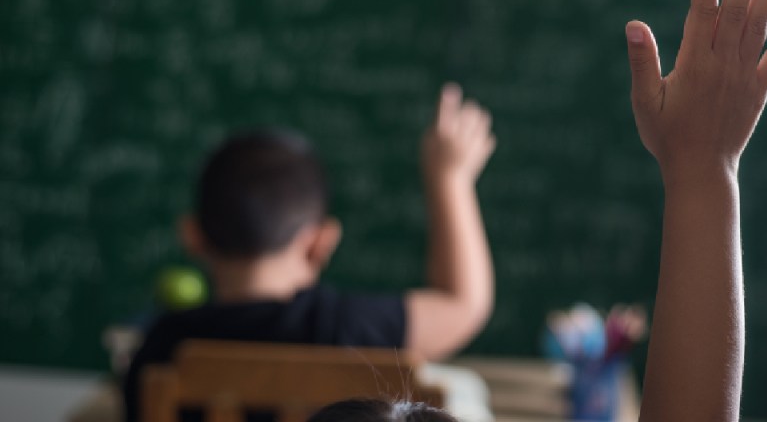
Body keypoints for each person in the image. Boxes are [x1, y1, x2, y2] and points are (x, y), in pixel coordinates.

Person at [308, 0, 767, 422]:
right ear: (317, 243)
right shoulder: (334, 325)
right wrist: (705, 165)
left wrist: (703, 166)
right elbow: (463, 304)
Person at [121, 84, 497, 422]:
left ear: (192, 236)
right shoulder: (345, 328)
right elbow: (462, 304)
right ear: (321, 242)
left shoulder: (161, 348)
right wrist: (450, 179)